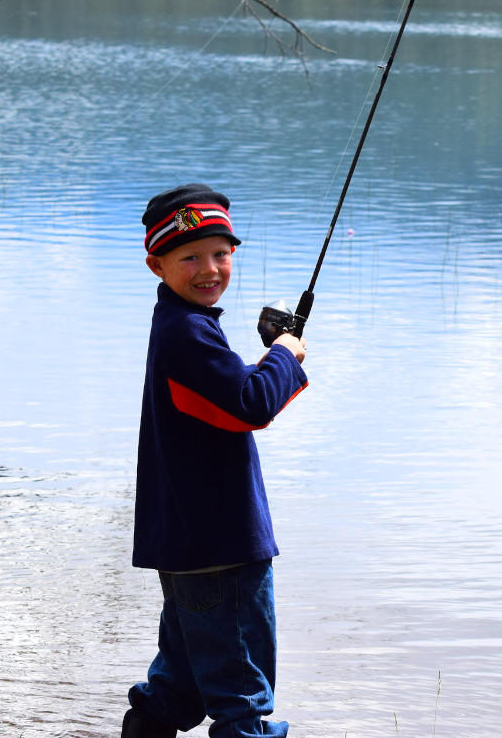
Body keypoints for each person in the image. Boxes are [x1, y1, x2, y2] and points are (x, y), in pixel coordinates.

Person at [123, 183, 309, 738]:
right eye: (190, 257)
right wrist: (285, 355)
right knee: (241, 698)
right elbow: (250, 406)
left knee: (179, 684)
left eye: (221, 254)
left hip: (188, 545)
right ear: (156, 264)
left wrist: (268, 364)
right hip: (221, 547)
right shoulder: (188, 333)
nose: (209, 269)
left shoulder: (183, 324)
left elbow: (224, 406)